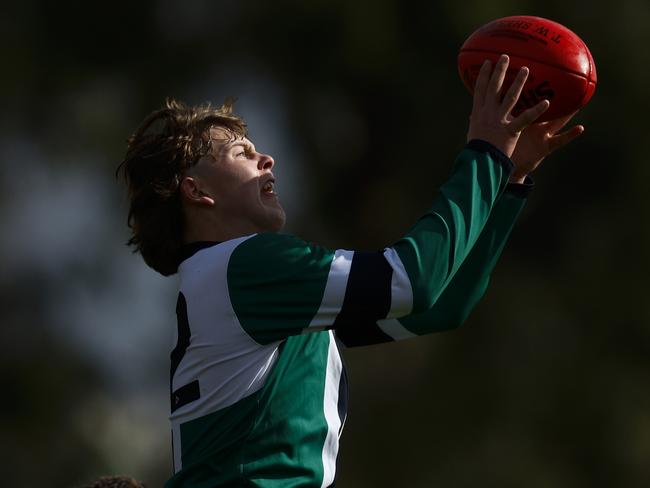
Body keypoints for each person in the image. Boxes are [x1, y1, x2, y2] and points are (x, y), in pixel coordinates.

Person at [117, 55, 583, 487]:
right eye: (241, 152)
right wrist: (486, 153)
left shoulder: (236, 283)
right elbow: (411, 283)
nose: (267, 159)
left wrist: (508, 177)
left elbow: (438, 305)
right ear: (197, 192)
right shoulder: (244, 267)